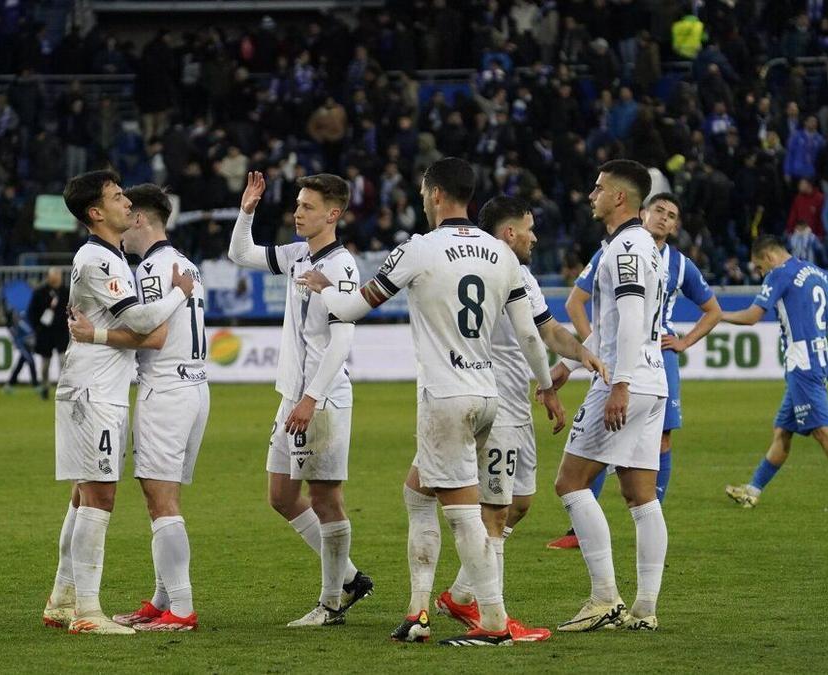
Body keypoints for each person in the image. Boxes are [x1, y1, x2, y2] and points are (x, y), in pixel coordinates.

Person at [299, 157, 563, 646]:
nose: (423, 199)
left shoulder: (418, 250)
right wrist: (546, 386)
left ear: (437, 194)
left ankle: (493, 622)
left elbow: (353, 307)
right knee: (417, 494)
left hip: (445, 397)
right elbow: (529, 334)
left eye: (424, 192)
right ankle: (417, 611)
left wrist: (323, 290)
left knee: (464, 513)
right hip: (489, 395)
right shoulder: (501, 252)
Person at [432, 195, 606, 642]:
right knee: (495, 511)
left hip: (515, 406)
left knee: (521, 503)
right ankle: (495, 619)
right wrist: (547, 384)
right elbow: (534, 335)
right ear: (509, 233)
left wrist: (582, 353)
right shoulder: (493, 269)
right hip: (496, 405)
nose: (535, 236)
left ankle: (462, 593)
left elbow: (547, 330)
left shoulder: (521, 274)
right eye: (529, 228)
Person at [41, 169, 193, 635]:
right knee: (100, 496)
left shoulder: (107, 255)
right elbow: (143, 320)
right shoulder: (99, 260)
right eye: (116, 196)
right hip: (96, 394)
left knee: (83, 494)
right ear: (95, 212)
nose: (127, 202)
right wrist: (176, 294)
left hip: (90, 389)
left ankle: (63, 599)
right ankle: (88, 611)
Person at [227, 171, 374, 627]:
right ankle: (350, 579)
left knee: (326, 499)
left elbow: (340, 342)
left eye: (307, 206)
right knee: (281, 495)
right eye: (297, 204)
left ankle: (331, 604)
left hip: (321, 399)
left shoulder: (341, 266)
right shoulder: (296, 255)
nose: (297, 212)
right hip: (292, 397)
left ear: (333, 214)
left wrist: (311, 399)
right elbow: (240, 254)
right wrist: (246, 210)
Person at [548, 192, 722, 550]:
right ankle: (583, 528)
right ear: (643, 212)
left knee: (658, 440)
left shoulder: (678, 263)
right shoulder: (617, 250)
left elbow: (713, 310)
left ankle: (642, 514)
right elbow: (577, 303)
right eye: (659, 210)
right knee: (597, 446)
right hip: (619, 358)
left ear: (675, 226)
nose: (664, 218)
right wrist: (587, 351)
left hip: (657, 360)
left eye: (671, 215)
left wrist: (684, 342)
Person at [544, 160, 669, 632]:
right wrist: (566, 367)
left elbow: (633, 318)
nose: (590, 195)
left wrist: (618, 383)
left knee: (570, 483)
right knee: (640, 495)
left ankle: (603, 598)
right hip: (651, 380)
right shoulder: (640, 247)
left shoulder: (626, 248)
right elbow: (613, 329)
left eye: (598, 188)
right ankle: (644, 608)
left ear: (620, 198)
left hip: (628, 382)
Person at [721, 235, 828, 512]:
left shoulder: (779, 275)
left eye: (759, 268)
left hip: (802, 363)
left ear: (768, 257)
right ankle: (752, 491)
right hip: (819, 358)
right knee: (783, 431)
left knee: (824, 431)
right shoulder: (816, 272)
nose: (761, 273)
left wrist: (718, 315)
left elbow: (753, 316)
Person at [28, 268, 70, 400]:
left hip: (61, 331)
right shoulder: (40, 292)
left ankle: (63, 388)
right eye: (54, 276)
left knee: (63, 360)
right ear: (49, 277)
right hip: (45, 333)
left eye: (58, 275)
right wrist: (37, 328)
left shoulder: (66, 292)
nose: (57, 278)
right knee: (45, 364)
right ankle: (45, 386)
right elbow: (32, 312)